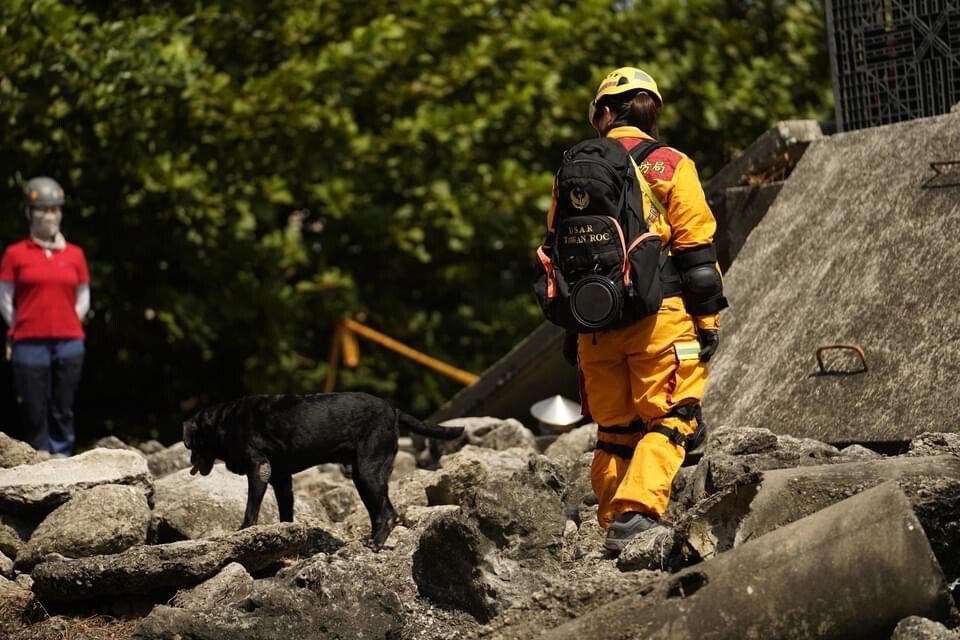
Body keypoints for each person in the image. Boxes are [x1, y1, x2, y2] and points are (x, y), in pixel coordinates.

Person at [548, 67, 728, 553]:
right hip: (659, 317)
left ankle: (613, 520)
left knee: (615, 430)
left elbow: (560, 253)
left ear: (604, 113)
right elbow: (696, 250)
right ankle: (636, 512)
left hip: (593, 326)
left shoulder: (572, 169)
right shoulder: (670, 162)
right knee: (674, 416)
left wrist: (572, 331)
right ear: (650, 111)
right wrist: (707, 321)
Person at [0, 176, 90, 455]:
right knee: (33, 406)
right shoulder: (15, 254)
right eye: (43, 210)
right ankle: (38, 457)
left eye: (55, 209)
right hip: (28, 341)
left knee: (63, 407)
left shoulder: (75, 254)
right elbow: (5, 298)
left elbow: (83, 296)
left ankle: (63, 456)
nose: (49, 216)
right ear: (30, 213)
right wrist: (22, 324)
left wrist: (68, 320)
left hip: (69, 341)